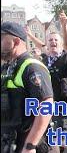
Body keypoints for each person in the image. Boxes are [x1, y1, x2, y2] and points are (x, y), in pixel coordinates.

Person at [1, 22, 54, 153]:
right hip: (8, 140)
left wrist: (30, 146)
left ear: (16, 41)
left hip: (25, 143)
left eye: (1, 38)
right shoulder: (8, 67)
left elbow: (46, 106)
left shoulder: (32, 66)